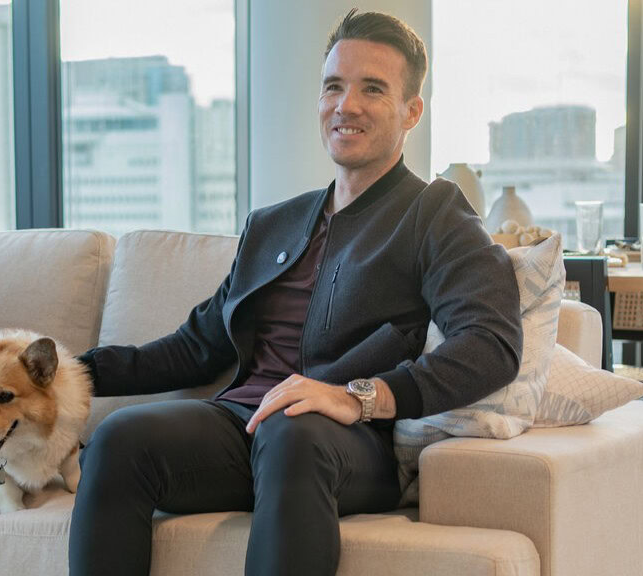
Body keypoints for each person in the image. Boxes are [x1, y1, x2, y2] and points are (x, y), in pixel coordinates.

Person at [69, 10, 523, 576]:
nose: (346, 105)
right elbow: (196, 347)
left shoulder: (434, 214)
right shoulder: (272, 225)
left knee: (294, 429)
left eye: (372, 89)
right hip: (247, 427)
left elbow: (492, 344)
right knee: (120, 438)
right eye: (334, 86)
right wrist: (64, 372)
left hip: (346, 443)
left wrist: (362, 397)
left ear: (412, 112)